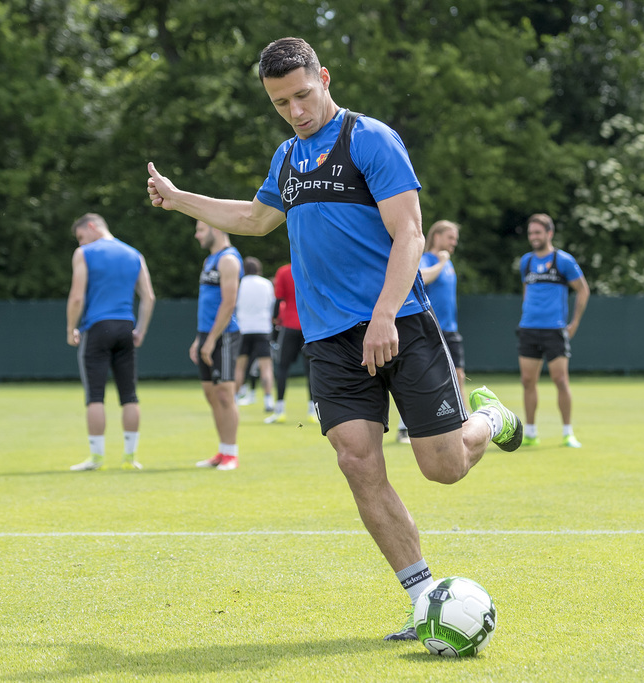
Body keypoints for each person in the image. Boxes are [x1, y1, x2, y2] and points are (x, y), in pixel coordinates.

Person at [146, 36, 522, 641]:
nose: (295, 111)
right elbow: (255, 219)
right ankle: (424, 597)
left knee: (443, 468)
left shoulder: (370, 138)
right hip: (329, 341)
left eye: (302, 95)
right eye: (279, 103)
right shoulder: (288, 158)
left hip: (397, 322)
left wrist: (382, 317)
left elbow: (411, 237)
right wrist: (180, 199)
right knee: (356, 461)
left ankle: (492, 419)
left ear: (323, 77)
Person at [65, 213, 155, 471]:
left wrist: (71, 327)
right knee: (129, 396)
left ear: (91, 227)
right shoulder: (134, 255)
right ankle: (130, 458)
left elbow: (77, 297)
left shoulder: (84, 254)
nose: (81, 244)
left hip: (97, 327)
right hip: (126, 328)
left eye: (81, 237)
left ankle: (96, 459)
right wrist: (141, 330)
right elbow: (148, 297)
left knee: (95, 396)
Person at [517, 213, 590, 448]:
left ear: (550, 233)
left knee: (560, 380)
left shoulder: (563, 260)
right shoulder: (526, 262)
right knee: (528, 381)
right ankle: (530, 432)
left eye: (538, 232)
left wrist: (575, 322)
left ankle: (568, 433)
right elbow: (526, 290)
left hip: (554, 330)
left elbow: (583, 290)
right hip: (529, 329)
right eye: (531, 233)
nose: (534, 237)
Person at [396, 219, 466, 444]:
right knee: (418, 377)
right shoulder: (426, 259)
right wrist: (442, 262)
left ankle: (461, 425)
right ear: (436, 237)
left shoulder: (448, 262)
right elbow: (422, 278)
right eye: (450, 237)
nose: (453, 242)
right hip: (429, 329)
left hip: (450, 330)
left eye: (455, 238)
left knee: (458, 376)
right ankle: (403, 428)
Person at [191, 220, 244, 471]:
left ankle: (231, 454)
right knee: (211, 395)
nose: (197, 235)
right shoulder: (208, 261)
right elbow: (207, 303)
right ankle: (222, 451)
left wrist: (211, 340)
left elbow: (228, 303)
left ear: (216, 228)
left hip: (224, 336)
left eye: (201, 229)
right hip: (206, 335)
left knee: (225, 393)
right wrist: (199, 339)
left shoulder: (229, 260)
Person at [265, 261, 316, 424]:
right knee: (312, 369)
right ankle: (314, 411)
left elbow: (279, 299)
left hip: (289, 326)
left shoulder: (284, 271)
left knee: (282, 367)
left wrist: (274, 322)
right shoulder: (311, 267)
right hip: (308, 326)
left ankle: (279, 410)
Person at [235, 256, 276, 411]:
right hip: (263, 329)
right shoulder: (266, 284)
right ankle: (268, 400)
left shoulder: (240, 284)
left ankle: (235, 398)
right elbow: (271, 305)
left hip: (243, 329)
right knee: (266, 367)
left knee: (239, 367)